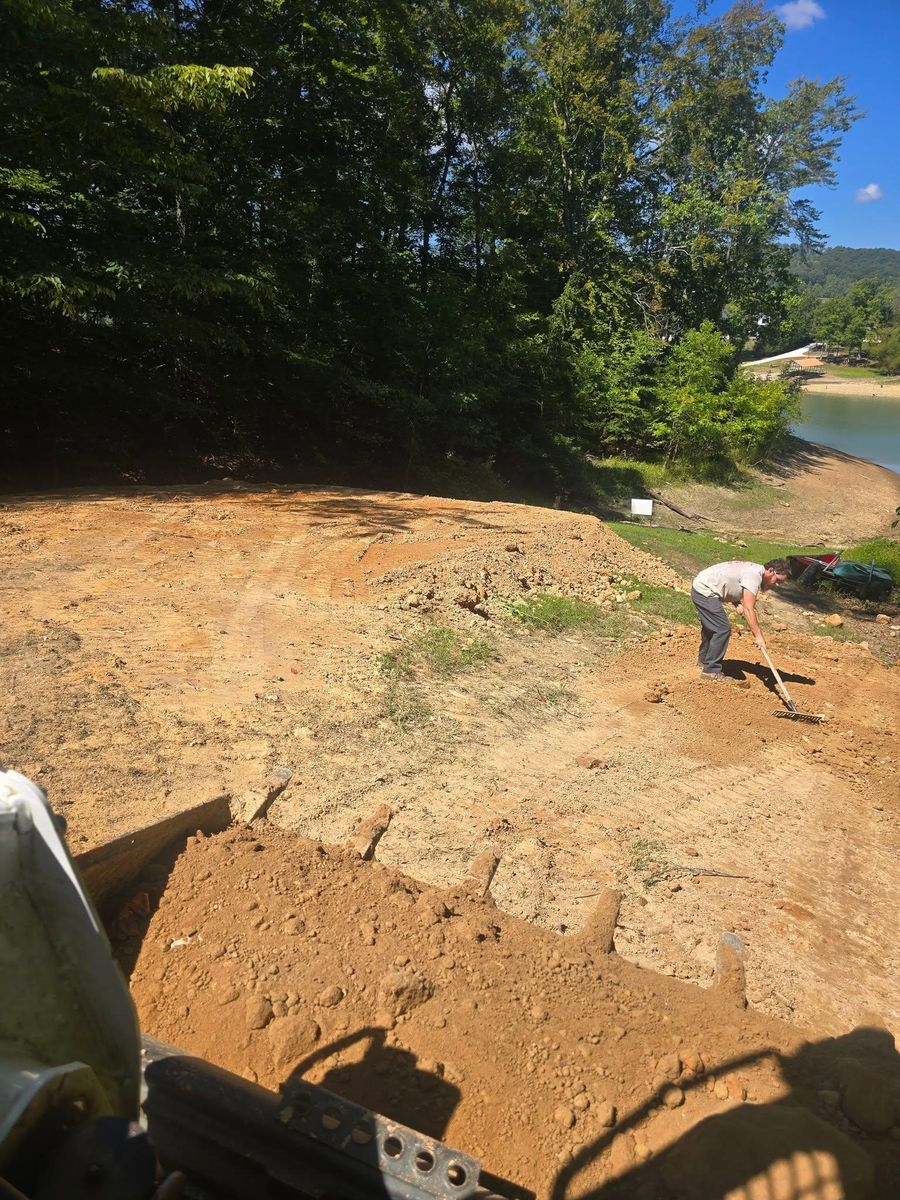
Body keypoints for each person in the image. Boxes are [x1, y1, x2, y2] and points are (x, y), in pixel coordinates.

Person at [690, 558, 789, 680]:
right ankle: (711, 670)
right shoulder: (754, 576)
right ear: (771, 570)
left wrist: (736, 603)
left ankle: (704, 661)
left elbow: (730, 580)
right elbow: (749, 609)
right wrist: (758, 636)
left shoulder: (754, 569)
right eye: (778, 580)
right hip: (705, 590)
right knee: (722, 628)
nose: (777, 585)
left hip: (704, 585)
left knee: (712, 626)